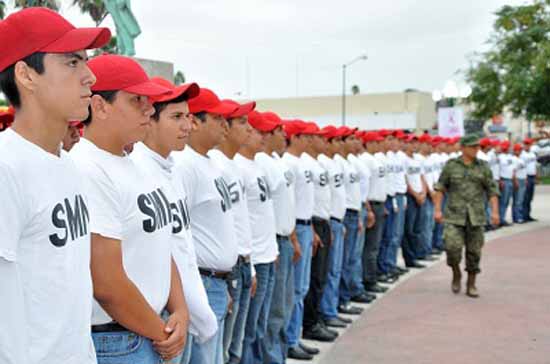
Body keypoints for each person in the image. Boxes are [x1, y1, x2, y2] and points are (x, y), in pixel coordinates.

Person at [0, 8, 110, 364]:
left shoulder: (66, 163)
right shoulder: (7, 169)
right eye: (72, 62)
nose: (90, 76)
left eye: (86, 62)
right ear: (26, 75)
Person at [71, 54, 189, 363]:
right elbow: (106, 282)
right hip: (120, 341)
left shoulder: (139, 162)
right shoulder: (87, 167)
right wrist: (161, 331)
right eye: (137, 100)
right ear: (100, 106)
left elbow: (162, 244)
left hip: (152, 329)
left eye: (148, 100)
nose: (149, 109)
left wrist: (180, 308)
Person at [130, 77, 219, 364]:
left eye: (189, 117)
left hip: (184, 307)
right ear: (149, 120)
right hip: (161, 316)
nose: (187, 126)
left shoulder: (171, 169)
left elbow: (182, 244)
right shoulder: (138, 170)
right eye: (177, 117)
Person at [173, 87, 239, 364]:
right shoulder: (184, 166)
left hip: (217, 282)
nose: (225, 126)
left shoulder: (211, 164)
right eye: (218, 119)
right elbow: (178, 238)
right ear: (197, 121)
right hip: (201, 280)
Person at [207, 99, 256, 364]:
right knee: (223, 349)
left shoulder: (230, 165)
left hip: (241, 262)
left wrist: (251, 263)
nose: (248, 129)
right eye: (242, 122)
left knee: (234, 343)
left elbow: (239, 220)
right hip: (223, 269)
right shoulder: (214, 165)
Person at [234, 111, 279, 364]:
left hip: (267, 254)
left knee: (259, 322)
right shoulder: (238, 167)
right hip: (254, 260)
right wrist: (250, 265)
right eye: (257, 131)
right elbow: (241, 221)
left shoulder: (259, 165)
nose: (261, 137)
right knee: (247, 330)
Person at [434, 134, 499, 298]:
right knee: (452, 248)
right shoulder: (451, 166)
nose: (476, 149)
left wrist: (495, 212)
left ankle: (471, 283)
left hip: (476, 216)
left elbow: (492, 191)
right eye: (472, 147)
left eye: (477, 147)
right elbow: (440, 187)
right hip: (454, 215)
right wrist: (437, 210)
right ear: (462, 148)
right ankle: (456, 272)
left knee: (474, 252)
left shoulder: (483, 167)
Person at [255, 112, 297, 364]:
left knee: (284, 304)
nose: (283, 136)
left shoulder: (272, 162)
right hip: (270, 244)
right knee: (272, 313)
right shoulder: (259, 163)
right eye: (277, 131)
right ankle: (272, 357)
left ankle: (279, 353)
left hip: (280, 241)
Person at [282, 121, 319, 360]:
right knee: (294, 290)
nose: (309, 140)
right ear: (294, 137)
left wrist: (311, 228)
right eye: (305, 136)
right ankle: (290, 339)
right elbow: (288, 205)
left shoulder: (302, 163)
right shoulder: (287, 164)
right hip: (295, 229)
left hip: (306, 226)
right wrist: (294, 236)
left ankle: (296, 336)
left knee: (302, 288)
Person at [360, 132, 390, 293]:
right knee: (370, 246)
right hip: (371, 204)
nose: (379, 145)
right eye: (376, 142)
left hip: (379, 203)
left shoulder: (376, 159)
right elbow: (365, 188)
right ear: (369, 143)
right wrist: (369, 209)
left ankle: (372, 275)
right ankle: (368, 279)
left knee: (375, 245)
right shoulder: (366, 160)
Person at [498, 140, 515, 227]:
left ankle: (503, 218)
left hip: (510, 180)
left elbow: (512, 169)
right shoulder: (500, 157)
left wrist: (513, 180)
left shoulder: (510, 156)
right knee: (502, 201)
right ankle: (500, 219)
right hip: (504, 180)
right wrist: (500, 180)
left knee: (507, 201)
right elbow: (498, 169)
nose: (508, 148)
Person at [522, 138, 538, 222]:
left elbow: (535, 166)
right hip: (526, 177)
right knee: (525, 197)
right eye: (525, 144)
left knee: (530, 197)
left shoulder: (533, 154)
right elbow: (522, 168)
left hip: (532, 176)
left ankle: (528, 215)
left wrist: (536, 176)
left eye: (528, 144)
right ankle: (523, 215)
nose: (527, 145)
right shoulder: (522, 154)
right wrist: (525, 178)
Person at [511, 143, 527, 224]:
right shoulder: (513, 159)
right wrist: (515, 181)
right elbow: (513, 171)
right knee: (518, 200)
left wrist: (526, 179)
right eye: (519, 150)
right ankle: (517, 217)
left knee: (520, 199)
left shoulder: (521, 159)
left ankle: (517, 217)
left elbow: (524, 170)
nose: (520, 151)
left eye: (521, 150)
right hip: (518, 180)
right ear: (515, 151)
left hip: (523, 179)